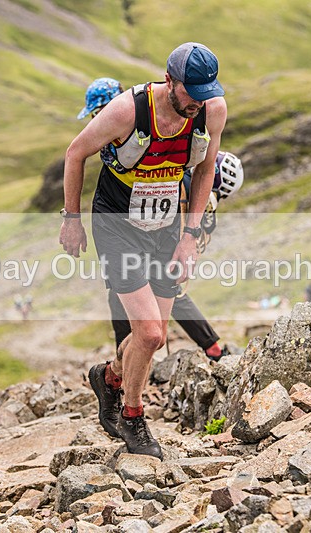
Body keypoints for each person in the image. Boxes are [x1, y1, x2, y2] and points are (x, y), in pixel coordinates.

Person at [60, 43, 227, 458]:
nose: (198, 102)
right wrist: (71, 220)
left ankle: (110, 378)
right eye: (191, 92)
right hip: (117, 225)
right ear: (169, 80)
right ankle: (133, 417)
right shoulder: (126, 111)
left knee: (153, 335)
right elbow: (74, 153)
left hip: (166, 226)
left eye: (207, 92)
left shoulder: (211, 110)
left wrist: (190, 237)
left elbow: (206, 169)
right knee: (150, 334)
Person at [79, 78, 244, 362]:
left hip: (156, 230)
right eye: (95, 116)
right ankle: (128, 365)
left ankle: (130, 366)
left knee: (156, 296)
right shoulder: (127, 122)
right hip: (131, 227)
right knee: (128, 295)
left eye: (98, 113)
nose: (98, 121)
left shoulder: (133, 122)